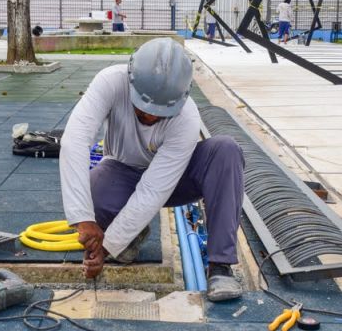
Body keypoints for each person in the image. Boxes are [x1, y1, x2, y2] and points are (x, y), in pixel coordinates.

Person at [59, 38, 245, 302]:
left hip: (174, 179)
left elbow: (153, 190)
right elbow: (74, 141)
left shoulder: (187, 118)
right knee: (93, 191)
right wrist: (84, 220)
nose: (150, 117)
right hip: (123, 170)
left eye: (160, 112)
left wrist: (107, 246)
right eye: (143, 108)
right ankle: (132, 235)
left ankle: (220, 266)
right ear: (131, 79)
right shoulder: (110, 82)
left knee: (226, 151)